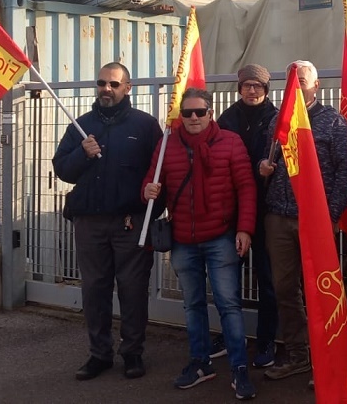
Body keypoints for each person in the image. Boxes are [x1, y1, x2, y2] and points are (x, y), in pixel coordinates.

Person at [142, 87, 258, 400]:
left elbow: (247, 188)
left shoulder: (230, 142)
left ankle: (239, 367)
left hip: (221, 237)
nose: (194, 118)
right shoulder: (167, 144)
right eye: (188, 113)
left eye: (200, 112)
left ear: (210, 113)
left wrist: (245, 229)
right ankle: (200, 362)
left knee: (228, 305)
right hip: (182, 240)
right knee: (192, 305)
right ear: (181, 115)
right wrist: (148, 190)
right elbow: (152, 180)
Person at [51, 62, 162, 381]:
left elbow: (160, 174)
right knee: (95, 290)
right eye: (101, 83)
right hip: (89, 224)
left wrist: (145, 216)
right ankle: (99, 354)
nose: (106, 89)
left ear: (128, 88)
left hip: (130, 224)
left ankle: (132, 353)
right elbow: (63, 170)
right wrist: (82, 153)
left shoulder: (145, 126)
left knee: (132, 289)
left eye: (114, 84)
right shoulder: (80, 126)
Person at [258, 60, 347, 381]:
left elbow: (346, 171)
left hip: (316, 221)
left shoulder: (333, 122)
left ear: (316, 86)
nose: (296, 86)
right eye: (291, 81)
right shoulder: (276, 121)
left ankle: (327, 361)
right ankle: (298, 356)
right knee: (285, 290)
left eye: (302, 80)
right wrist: (264, 171)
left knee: (321, 291)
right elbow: (267, 163)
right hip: (279, 218)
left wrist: (330, 214)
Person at [216, 64, 280, 369]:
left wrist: (271, 170)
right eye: (246, 86)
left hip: (268, 210)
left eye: (257, 86)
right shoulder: (226, 119)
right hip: (233, 209)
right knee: (227, 276)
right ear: (239, 89)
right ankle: (231, 335)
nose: (251, 91)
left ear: (266, 90)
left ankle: (267, 340)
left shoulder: (279, 118)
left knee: (268, 279)